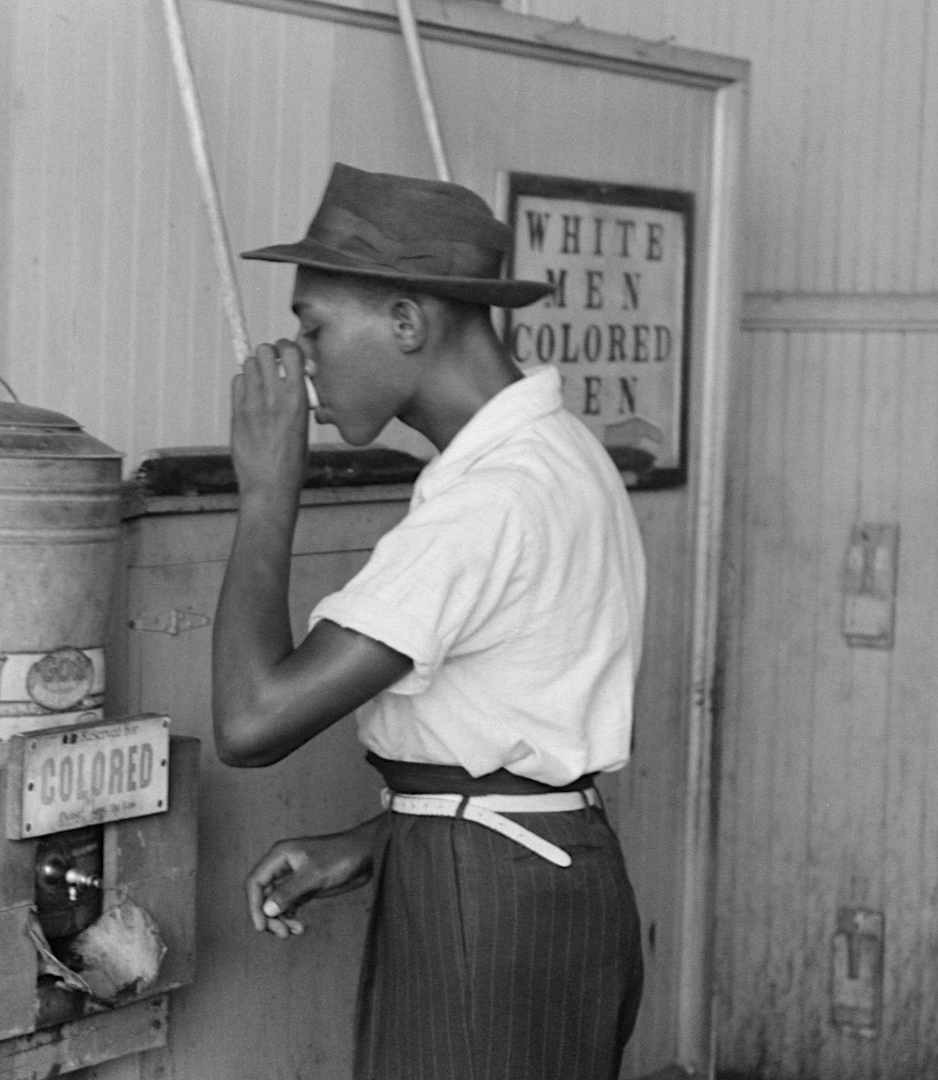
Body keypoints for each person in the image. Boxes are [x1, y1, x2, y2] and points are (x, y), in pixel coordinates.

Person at [212, 162, 647, 1080]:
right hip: (524, 870)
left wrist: (264, 493)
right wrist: (373, 845)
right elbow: (517, 741)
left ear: (407, 321)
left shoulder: (493, 499)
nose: (302, 361)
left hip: (488, 906)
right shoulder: (553, 454)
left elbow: (252, 721)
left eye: (314, 328)